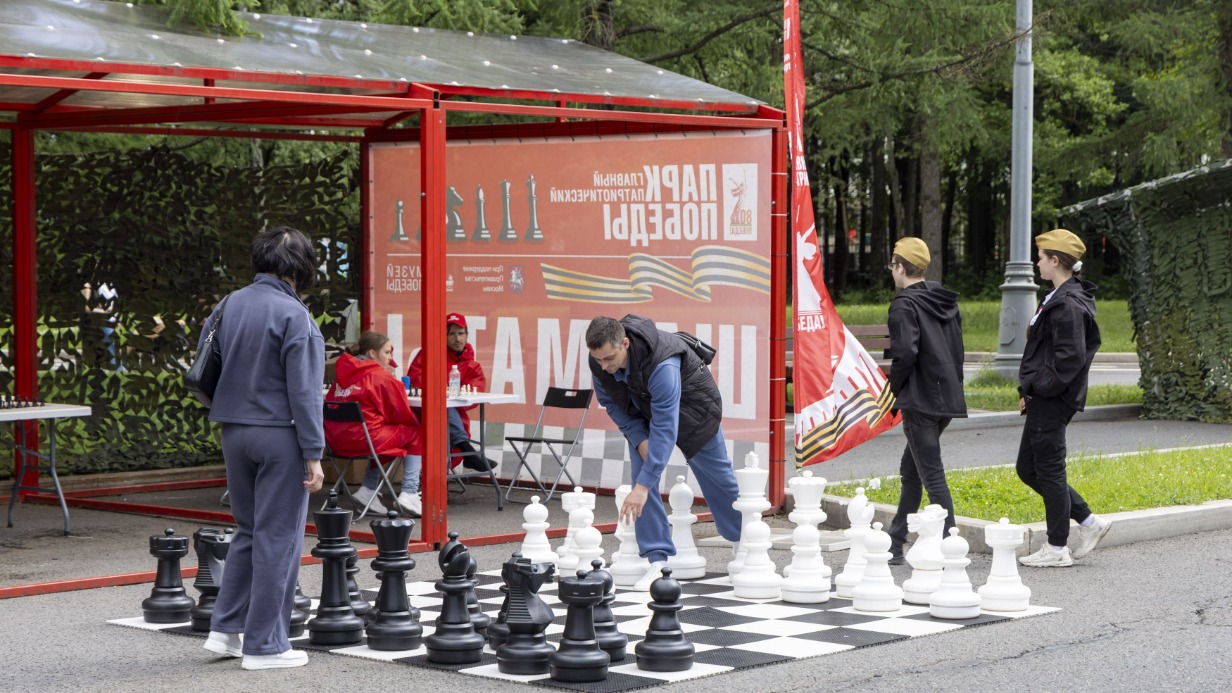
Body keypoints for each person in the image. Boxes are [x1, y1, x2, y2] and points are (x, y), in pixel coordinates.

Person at [200, 226, 325, 670]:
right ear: (302, 267)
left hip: (233, 430)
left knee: (249, 532)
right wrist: (314, 452)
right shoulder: (296, 317)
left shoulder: (229, 303)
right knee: (279, 538)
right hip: (280, 435)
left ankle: (225, 630)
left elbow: (206, 365)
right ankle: (265, 646)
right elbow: (305, 393)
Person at [586, 315, 742, 590]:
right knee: (641, 477)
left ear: (625, 343)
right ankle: (658, 562)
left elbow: (666, 427)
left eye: (609, 358)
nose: (604, 366)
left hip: (695, 413)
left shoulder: (663, 364)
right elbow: (612, 405)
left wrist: (642, 487)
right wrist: (639, 439)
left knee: (720, 481)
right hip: (645, 413)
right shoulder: (600, 364)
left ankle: (744, 542)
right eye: (598, 359)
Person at [1015, 228, 1111, 568]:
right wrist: (1028, 390)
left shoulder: (1068, 303)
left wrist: (1039, 388)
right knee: (1028, 468)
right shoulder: (1059, 295)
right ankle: (1089, 521)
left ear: (1055, 260)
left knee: (1049, 471)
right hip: (1045, 396)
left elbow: (1069, 360)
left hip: (1053, 399)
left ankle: (1057, 548)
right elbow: (1043, 351)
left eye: (1041, 257)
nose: (1037, 262)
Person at [883, 237, 967, 565]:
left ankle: (951, 546)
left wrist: (893, 390)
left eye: (893, 265)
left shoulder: (904, 304)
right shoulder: (942, 299)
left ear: (901, 268)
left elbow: (905, 353)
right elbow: (957, 349)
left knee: (932, 475)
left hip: (919, 399)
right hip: (946, 397)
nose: (892, 271)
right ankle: (895, 541)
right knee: (912, 469)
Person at [325, 331, 423, 517]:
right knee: (416, 432)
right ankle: (409, 492)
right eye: (387, 352)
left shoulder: (342, 375)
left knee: (384, 435)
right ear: (372, 353)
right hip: (364, 440)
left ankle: (368, 489)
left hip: (336, 442)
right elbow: (400, 412)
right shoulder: (379, 376)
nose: (390, 357)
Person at [407, 312, 497, 471]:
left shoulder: (473, 366)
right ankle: (467, 451)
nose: (458, 338)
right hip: (422, 416)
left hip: (453, 420)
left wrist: (451, 396)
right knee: (439, 405)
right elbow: (416, 382)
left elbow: (473, 396)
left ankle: (463, 454)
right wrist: (443, 394)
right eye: (452, 334)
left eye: (461, 333)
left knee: (444, 408)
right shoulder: (428, 355)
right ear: (443, 336)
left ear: (467, 335)